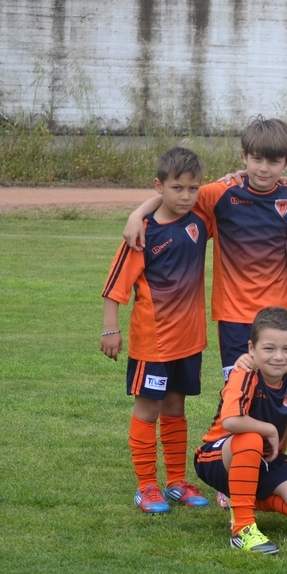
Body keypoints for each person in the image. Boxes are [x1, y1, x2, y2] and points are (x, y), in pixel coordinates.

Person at [121, 117, 287, 380]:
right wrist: (137, 214)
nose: (264, 169)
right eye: (257, 159)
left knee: (280, 390)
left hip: (282, 312)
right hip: (234, 315)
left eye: (274, 162)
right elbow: (174, 196)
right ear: (244, 157)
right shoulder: (221, 193)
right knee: (238, 387)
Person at [100, 147, 211, 513]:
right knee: (148, 408)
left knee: (176, 407)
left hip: (189, 341)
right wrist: (110, 329)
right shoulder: (143, 233)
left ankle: (176, 481)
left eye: (193, 188)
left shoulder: (200, 220)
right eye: (177, 188)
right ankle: (146, 485)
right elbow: (115, 285)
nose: (186, 196)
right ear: (159, 186)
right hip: (154, 342)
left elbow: (231, 190)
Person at [193, 307, 287, 554]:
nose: (279, 357)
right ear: (251, 349)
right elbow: (231, 420)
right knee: (251, 438)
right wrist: (269, 430)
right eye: (269, 348)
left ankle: (241, 499)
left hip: (267, 459)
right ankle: (242, 529)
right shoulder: (245, 372)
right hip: (219, 456)